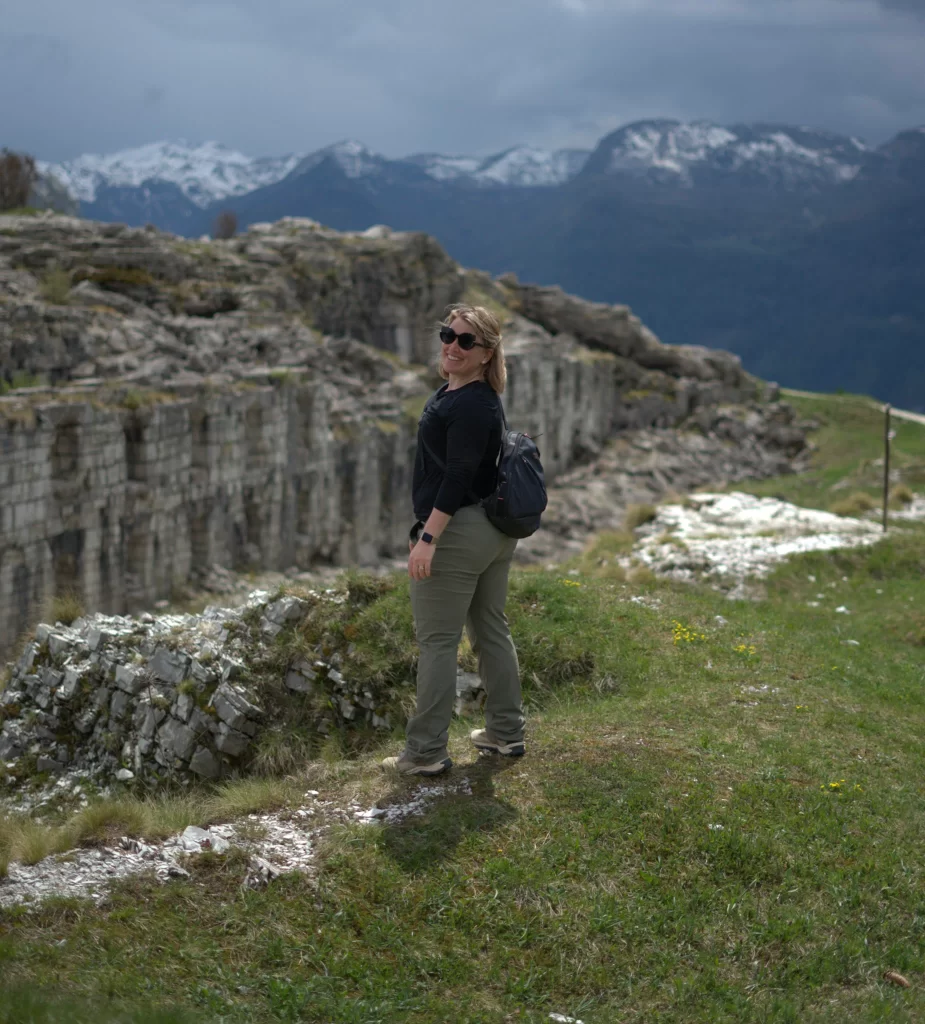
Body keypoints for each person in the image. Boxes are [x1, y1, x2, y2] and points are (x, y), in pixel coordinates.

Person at [381, 304, 526, 776]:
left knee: (438, 642)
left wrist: (427, 537)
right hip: (492, 531)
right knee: (490, 630)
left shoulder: (469, 403)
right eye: (448, 334)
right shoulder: (466, 393)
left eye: (467, 341)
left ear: (487, 353)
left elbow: (458, 475)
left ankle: (424, 752)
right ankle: (506, 733)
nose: (452, 345)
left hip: (460, 531)